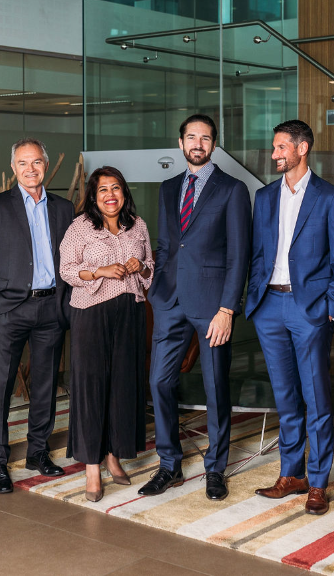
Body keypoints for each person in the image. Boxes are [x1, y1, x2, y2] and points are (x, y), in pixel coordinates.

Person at [140, 113, 252, 502]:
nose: (198, 143)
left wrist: (227, 309)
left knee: (215, 386)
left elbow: (241, 255)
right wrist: (156, 289)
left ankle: (215, 469)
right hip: (169, 300)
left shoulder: (232, 189)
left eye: (206, 138)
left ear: (214, 146)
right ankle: (169, 465)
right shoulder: (168, 187)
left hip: (211, 305)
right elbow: (168, 245)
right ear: (181, 142)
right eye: (192, 137)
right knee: (158, 382)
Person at [246, 119, 334, 516]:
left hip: (310, 309)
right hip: (269, 306)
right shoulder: (265, 196)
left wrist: (331, 308)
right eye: (274, 148)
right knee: (286, 397)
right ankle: (291, 474)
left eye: (280, 147)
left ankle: (318, 481)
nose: (274, 154)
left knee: (316, 397)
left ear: (301, 148)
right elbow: (259, 253)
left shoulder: (330, 197)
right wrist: (255, 299)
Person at [0, 138, 75, 494]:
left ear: (45, 166)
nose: (30, 169)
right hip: (10, 309)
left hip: (52, 308)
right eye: (22, 163)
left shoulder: (64, 208)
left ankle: (37, 452)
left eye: (36, 162)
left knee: (45, 385)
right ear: (13, 168)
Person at [59, 167, 154, 502]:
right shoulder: (79, 227)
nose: (110, 195)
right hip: (91, 312)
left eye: (116, 188)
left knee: (123, 386)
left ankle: (114, 454)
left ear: (124, 193)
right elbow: (66, 269)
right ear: (93, 196)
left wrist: (138, 266)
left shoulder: (137, 225)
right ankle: (91, 468)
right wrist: (100, 270)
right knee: (91, 386)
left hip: (130, 311)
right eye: (103, 190)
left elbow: (150, 269)